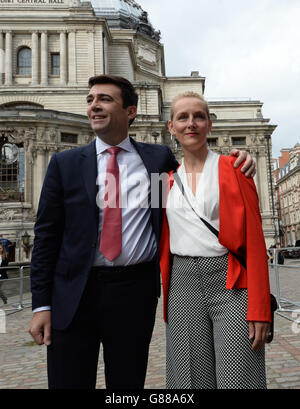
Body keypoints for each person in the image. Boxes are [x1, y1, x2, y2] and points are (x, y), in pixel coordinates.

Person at [28, 75, 256, 389]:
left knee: (128, 384)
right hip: (73, 294)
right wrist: (41, 305)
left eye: (105, 99)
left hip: (133, 292)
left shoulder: (157, 160)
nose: (94, 105)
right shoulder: (64, 164)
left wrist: (236, 161)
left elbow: (192, 184)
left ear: (130, 111)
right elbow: (46, 237)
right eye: (91, 99)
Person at [159, 91, 271, 389]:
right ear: (171, 127)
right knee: (189, 380)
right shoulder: (165, 180)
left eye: (199, 116)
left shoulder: (235, 169)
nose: (191, 123)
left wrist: (260, 307)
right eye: (182, 117)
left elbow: (255, 241)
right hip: (181, 284)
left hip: (231, 282)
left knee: (239, 376)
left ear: (210, 124)